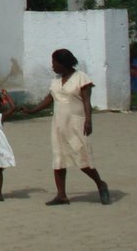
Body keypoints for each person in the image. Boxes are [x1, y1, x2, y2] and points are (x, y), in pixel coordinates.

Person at [22, 48, 110, 205]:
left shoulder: (81, 78)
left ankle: (101, 184)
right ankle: (61, 195)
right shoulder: (55, 81)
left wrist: (88, 121)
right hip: (58, 125)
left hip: (76, 124)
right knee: (59, 159)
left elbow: (86, 102)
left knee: (82, 158)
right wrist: (31, 111)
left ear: (63, 63)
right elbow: (49, 99)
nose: (52, 66)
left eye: (54, 63)